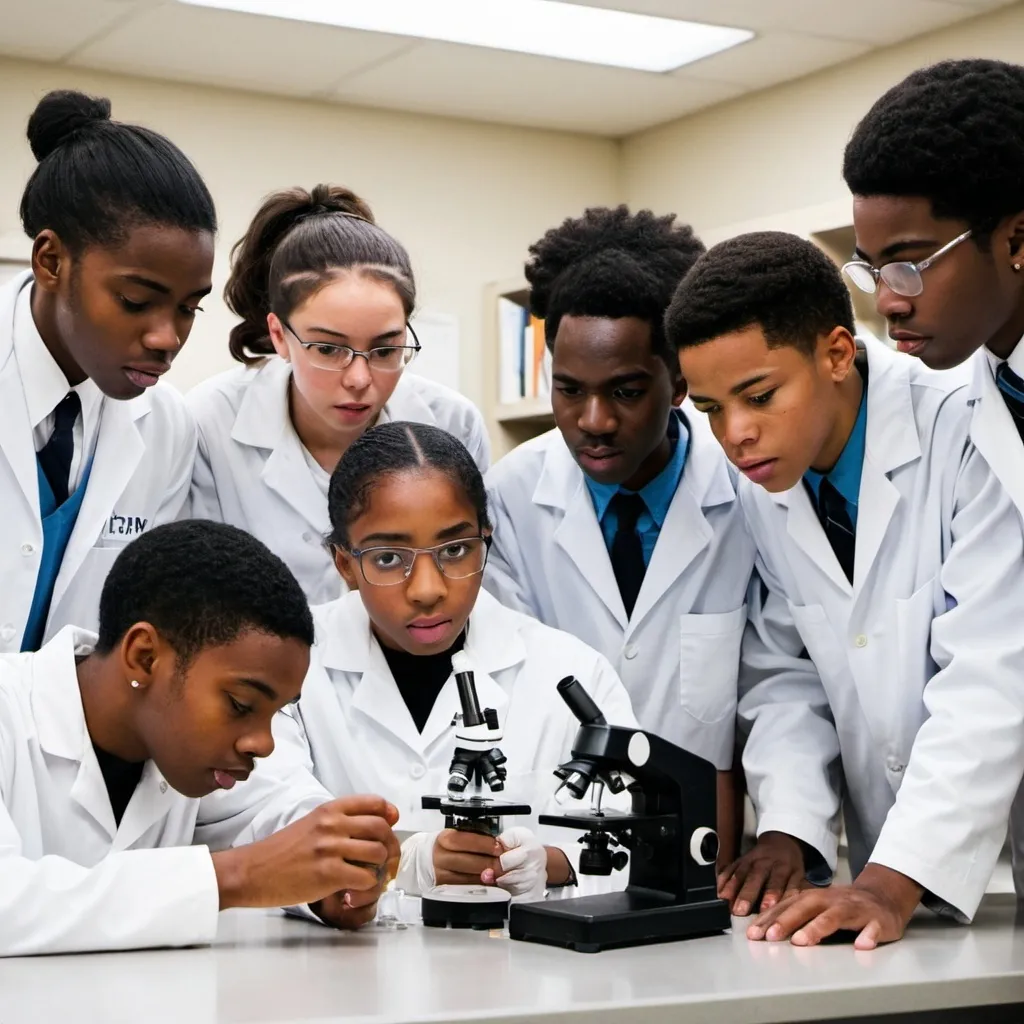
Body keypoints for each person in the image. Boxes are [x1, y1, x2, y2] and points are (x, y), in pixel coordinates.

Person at [665, 231, 1024, 949]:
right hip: (877, 888)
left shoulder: (966, 427)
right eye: (709, 408)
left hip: (992, 871)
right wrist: (790, 832)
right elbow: (786, 673)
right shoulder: (769, 477)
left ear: (835, 354)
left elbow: (993, 673)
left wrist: (895, 880)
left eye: (758, 395)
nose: (734, 435)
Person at [483, 206, 754, 863]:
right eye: (570, 390)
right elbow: (515, 686)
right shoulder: (513, 494)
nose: (593, 420)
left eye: (626, 391)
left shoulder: (750, 492)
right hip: (560, 839)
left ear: (681, 383)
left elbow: (778, 688)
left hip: (711, 843)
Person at [0, 519, 401, 957]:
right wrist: (232, 877)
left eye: (278, 711)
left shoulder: (188, 750)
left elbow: (282, 814)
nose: (263, 744)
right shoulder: (10, 710)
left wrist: (332, 879)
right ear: (144, 656)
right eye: (241, 704)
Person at [273, 421, 637, 901]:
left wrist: (550, 865)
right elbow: (268, 824)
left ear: (486, 541)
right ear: (344, 564)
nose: (428, 589)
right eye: (388, 558)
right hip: (341, 971)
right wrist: (401, 862)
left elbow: (633, 848)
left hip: (519, 970)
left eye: (456, 550)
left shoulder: (571, 672)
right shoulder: (290, 669)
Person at [187, 184, 491, 605]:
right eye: (329, 349)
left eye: (385, 350)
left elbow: (472, 578)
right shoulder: (209, 422)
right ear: (279, 334)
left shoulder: (452, 423)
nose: (360, 379)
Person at [2, 89, 213, 653]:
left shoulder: (166, 428)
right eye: (136, 300)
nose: (167, 338)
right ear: (51, 262)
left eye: (189, 307)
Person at [842, 58, 1024, 518]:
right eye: (873, 271)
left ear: (1016, 241)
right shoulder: (963, 398)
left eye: (907, 265)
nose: (888, 303)